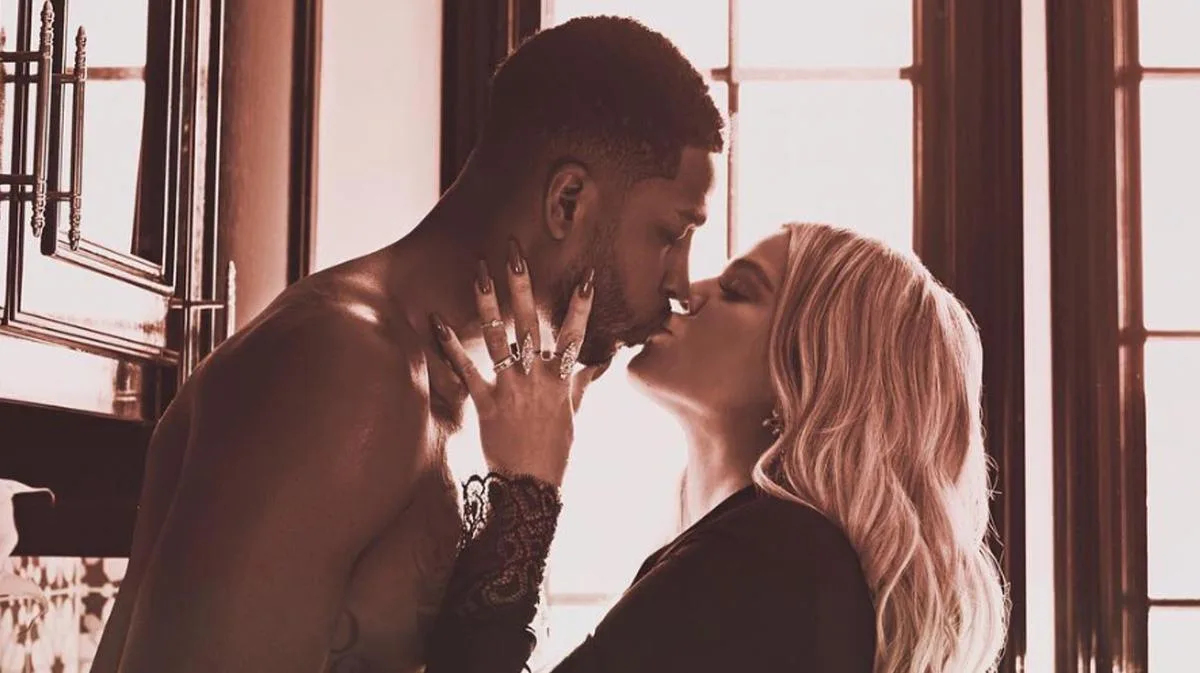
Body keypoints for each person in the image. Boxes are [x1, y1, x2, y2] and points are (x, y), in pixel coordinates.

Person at [88, 16, 724, 673]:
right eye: (671, 234)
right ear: (567, 200)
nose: (679, 282)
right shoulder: (344, 366)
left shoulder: (459, 392)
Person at [426, 222, 1010, 673]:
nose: (685, 292)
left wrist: (527, 485)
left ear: (807, 371)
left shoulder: (774, 560)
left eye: (736, 290)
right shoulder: (781, 561)